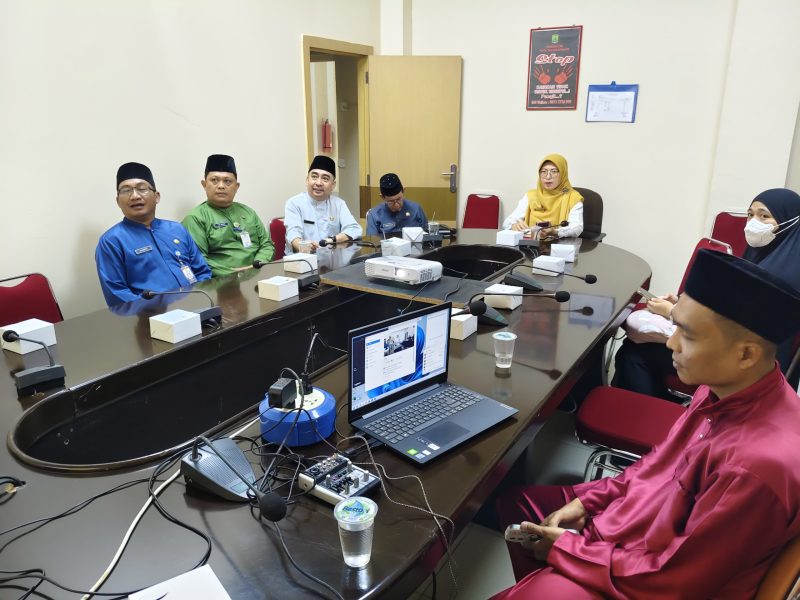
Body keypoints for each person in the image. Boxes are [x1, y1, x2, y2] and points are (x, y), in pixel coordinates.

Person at [493, 249, 800, 599]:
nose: (671, 343)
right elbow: (656, 467)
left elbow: (676, 581)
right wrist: (587, 503)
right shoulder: (719, 390)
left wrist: (569, 552)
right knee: (520, 506)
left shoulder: (758, 467)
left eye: (687, 335)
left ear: (746, 354)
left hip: (661, 579)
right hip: (645, 531)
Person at [614, 187, 800, 397]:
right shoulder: (772, 254)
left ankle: (645, 420)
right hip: (736, 353)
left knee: (635, 352)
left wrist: (673, 313)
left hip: (741, 364)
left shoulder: (781, 275)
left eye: (764, 216)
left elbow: (734, 327)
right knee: (640, 347)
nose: (753, 222)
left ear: (790, 221)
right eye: (750, 214)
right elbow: (732, 303)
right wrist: (683, 303)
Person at [96, 163, 212, 307]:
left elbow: (202, 271)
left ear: (156, 197)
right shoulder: (111, 241)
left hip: (199, 307)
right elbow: (117, 294)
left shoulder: (177, 229)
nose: (134, 196)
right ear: (118, 201)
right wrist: (155, 313)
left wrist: (202, 300)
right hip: (153, 320)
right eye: (126, 190)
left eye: (142, 189)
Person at [182, 154, 274, 276]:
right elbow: (199, 259)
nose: (221, 186)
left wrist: (258, 264)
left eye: (227, 181)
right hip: (221, 284)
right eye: (214, 180)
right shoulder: (195, 218)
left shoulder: (248, 212)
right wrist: (233, 274)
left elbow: (266, 244)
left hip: (258, 274)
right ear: (204, 184)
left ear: (236, 186)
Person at [284, 155, 362, 254]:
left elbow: (354, 229)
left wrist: (331, 240)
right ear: (307, 180)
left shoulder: (339, 204)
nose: (319, 183)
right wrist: (303, 245)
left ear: (333, 185)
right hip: (302, 259)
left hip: (330, 259)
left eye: (325, 179)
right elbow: (292, 233)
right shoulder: (294, 203)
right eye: (314, 177)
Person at [502, 154, 583, 239]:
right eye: (544, 172)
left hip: (558, 247)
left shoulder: (573, 197)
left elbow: (577, 228)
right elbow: (507, 222)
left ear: (563, 174)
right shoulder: (531, 195)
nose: (548, 177)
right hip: (530, 245)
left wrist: (555, 232)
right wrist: (513, 226)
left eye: (554, 171)